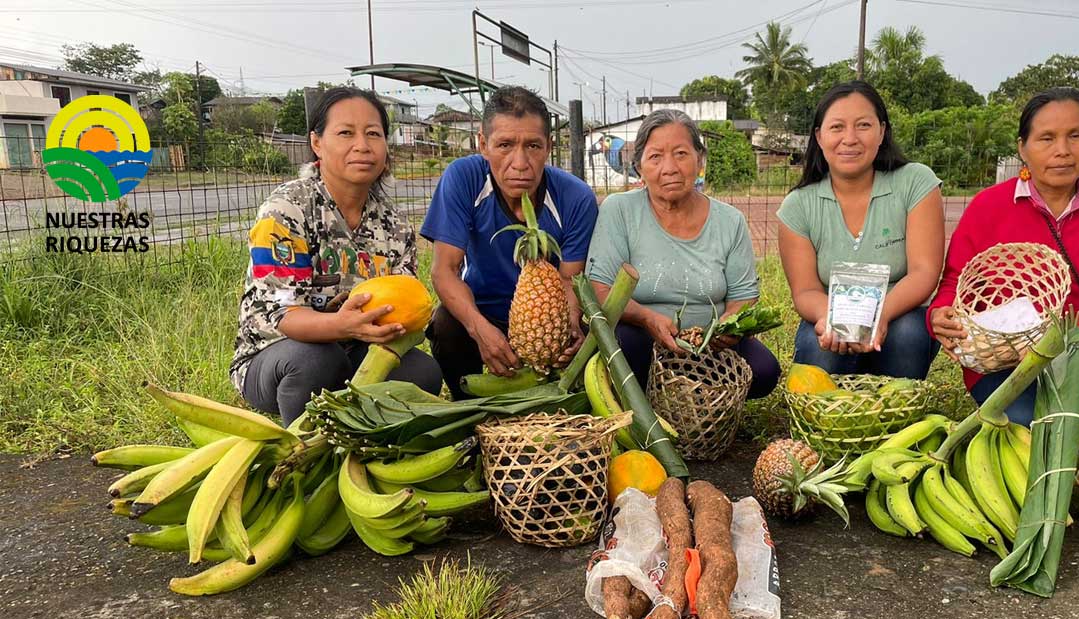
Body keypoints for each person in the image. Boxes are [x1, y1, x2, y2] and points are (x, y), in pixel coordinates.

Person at [928, 87, 1079, 426]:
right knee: (1033, 429)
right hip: (1008, 362)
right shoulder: (989, 206)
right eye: (1046, 138)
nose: (1062, 151)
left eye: (1075, 136)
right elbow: (954, 283)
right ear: (1023, 148)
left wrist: (1059, 341)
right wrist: (939, 314)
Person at [229, 86, 442, 425]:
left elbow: (404, 303)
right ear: (317, 143)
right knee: (317, 360)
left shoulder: (395, 225)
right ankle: (302, 453)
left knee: (422, 372)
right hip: (278, 355)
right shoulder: (287, 210)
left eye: (373, 134)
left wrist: (401, 325)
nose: (362, 145)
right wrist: (340, 324)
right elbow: (280, 314)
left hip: (357, 351)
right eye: (345, 133)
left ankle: (364, 442)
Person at [587, 109, 780, 398]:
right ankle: (650, 407)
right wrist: (647, 319)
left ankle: (695, 405)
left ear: (699, 159)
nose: (670, 168)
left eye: (681, 153)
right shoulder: (619, 210)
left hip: (709, 343)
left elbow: (744, 296)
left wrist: (724, 329)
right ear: (638, 166)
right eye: (655, 157)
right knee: (625, 347)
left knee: (764, 371)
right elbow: (599, 289)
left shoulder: (729, 221)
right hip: (642, 338)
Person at [422, 86, 598, 397]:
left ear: (549, 147)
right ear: (483, 144)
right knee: (446, 323)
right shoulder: (465, 178)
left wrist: (570, 322)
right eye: (504, 145)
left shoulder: (575, 197)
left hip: (550, 315)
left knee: (587, 341)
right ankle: (469, 411)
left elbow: (571, 280)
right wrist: (478, 329)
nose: (520, 162)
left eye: (533, 145)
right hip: (483, 310)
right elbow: (444, 270)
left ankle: (560, 410)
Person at [776, 81, 945, 379]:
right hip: (832, 314)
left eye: (863, 125)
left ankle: (897, 417)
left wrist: (878, 317)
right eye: (837, 127)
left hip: (899, 314)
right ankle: (827, 421)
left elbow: (924, 272)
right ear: (819, 136)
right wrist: (833, 319)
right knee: (818, 348)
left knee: (907, 334)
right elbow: (806, 291)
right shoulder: (798, 206)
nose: (850, 139)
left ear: (881, 131)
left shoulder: (915, 182)